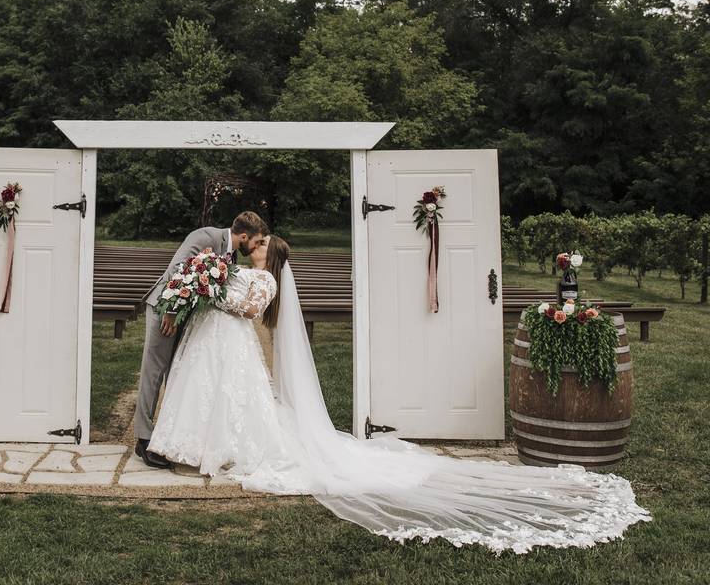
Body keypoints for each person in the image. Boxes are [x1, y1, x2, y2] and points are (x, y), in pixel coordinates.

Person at [148, 235, 652, 554]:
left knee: (243, 404)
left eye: (261, 245)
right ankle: (200, 442)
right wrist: (210, 284)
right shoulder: (239, 268)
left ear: (271, 256)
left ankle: (226, 445)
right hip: (220, 347)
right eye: (254, 242)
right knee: (224, 397)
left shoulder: (265, 281)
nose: (254, 245)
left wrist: (213, 289)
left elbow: (246, 310)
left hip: (232, 340)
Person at [134, 211, 268, 469]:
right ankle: (143, 438)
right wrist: (171, 312)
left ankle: (165, 436)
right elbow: (177, 271)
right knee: (155, 370)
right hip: (167, 310)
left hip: (188, 315)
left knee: (177, 372)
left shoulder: (230, 254)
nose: (257, 246)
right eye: (257, 241)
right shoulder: (205, 237)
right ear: (244, 236)